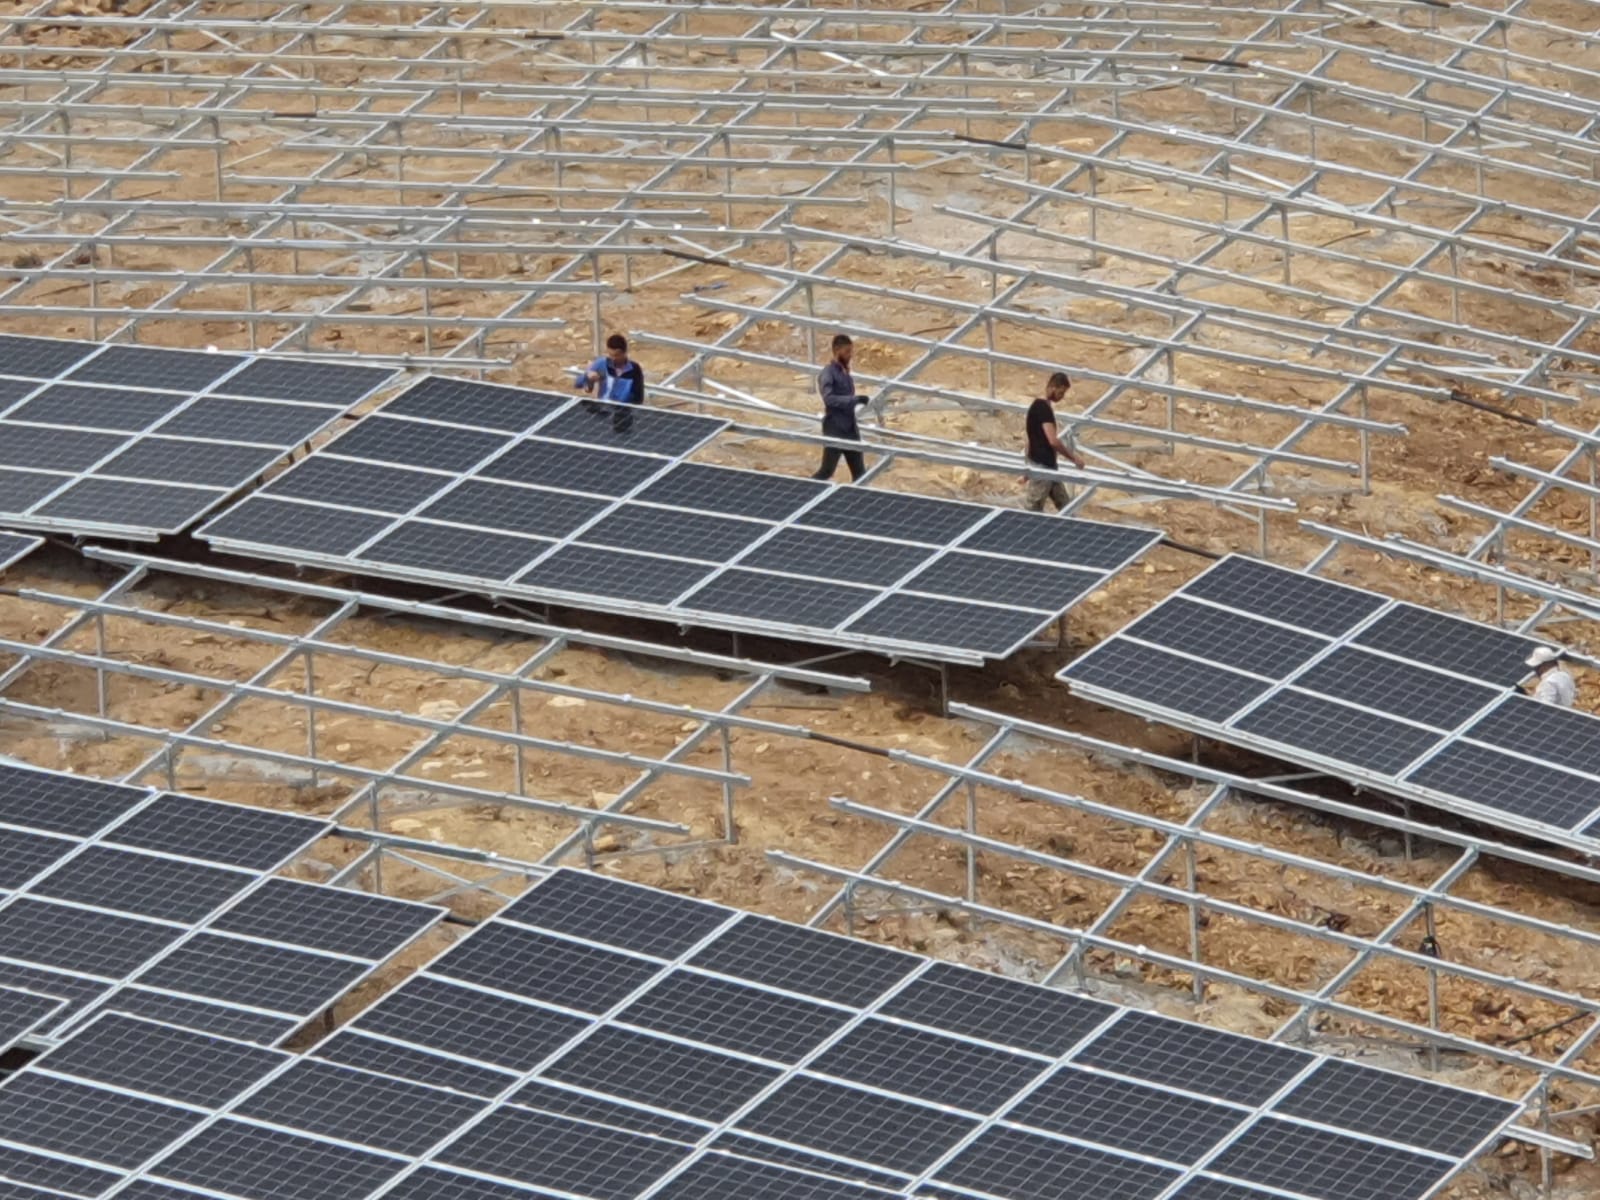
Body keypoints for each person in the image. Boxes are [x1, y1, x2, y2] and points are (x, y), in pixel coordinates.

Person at [1023, 371, 1086, 513]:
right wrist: (1074, 459)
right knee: (1032, 510)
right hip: (1042, 468)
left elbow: (1030, 440)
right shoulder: (1042, 409)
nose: (1062, 397)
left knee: (1066, 506)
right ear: (1053, 387)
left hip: (1049, 467)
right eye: (1061, 393)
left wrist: (1027, 466)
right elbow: (1053, 441)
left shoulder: (1038, 407)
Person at [812, 333, 870, 482]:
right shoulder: (828, 373)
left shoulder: (846, 374)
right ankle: (805, 491)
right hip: (835, 428)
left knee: (860, 474)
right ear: (837, 351)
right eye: (847, 352)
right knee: (826, 471)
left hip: (850, 429)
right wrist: (853, 400)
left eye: (850, 351)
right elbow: (829, 398)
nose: (850, 356)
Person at [577, 333, 645, 432]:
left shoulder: (634, 369)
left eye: (616, 355)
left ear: (624, 353)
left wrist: (620, 407)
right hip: (604, 409)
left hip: (622, 412)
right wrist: (590, 380)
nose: (613, 359)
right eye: (610, 355)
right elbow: (588, 389)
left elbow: (638, 398)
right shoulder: (603, 365)